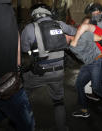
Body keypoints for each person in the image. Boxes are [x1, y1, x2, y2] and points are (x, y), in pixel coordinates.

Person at [21, 3, 76, 131]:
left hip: (37, 72)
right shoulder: (60, 24)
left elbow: (24, 50)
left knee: (22, 98)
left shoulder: (29, 28)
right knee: (58, 101)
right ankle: (62, 127)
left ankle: (26, 125)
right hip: (58, 72)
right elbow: (74, 32)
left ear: (34, 14)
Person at [0, 1, 35, 131]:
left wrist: (17, 69)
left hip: (10, 80)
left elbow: (16, 36)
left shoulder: (6, 7)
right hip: (4, 82)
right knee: (28, 125)